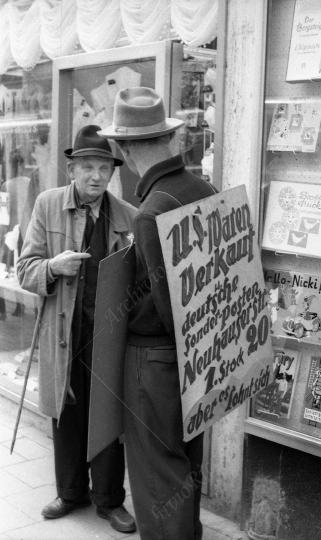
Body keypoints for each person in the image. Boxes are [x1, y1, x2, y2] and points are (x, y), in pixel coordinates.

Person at [99, 87, 217, 540]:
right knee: (186, 465)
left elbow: (171, 309)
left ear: (122, 149)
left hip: (158, 362)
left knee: (156, 477)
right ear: (166, 137)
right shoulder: (202, 188)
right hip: (204, 355)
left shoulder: (150, 212)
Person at [17, 125, 136, 534]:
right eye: (87, 167)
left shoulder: (127, 216)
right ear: (71, 170)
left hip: (108, 333)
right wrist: (53, 267)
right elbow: (24, 269)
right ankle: (70, 493)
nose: (96, 176)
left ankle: (109, 499)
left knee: (106, 414)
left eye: (104, 168)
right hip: (64, 332)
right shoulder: (48, 205)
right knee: (66, 413)